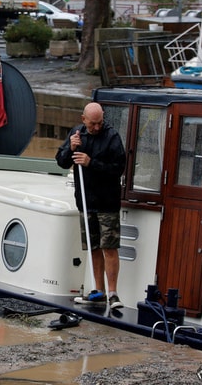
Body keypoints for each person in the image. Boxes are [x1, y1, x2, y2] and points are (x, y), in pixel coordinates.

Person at [55, 102, 126, 309]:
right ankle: (99, 291)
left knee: (109, 247)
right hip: (86, 202)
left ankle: (113, 293)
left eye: (100, 122)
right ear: (83, 119)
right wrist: (71, 147)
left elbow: (118, 168)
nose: (96, 127)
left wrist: (90, 162)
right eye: (93, 123)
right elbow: (61, 162)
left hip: (107, 202)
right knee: (93, 247)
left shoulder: (112, 137)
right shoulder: (76, 134)